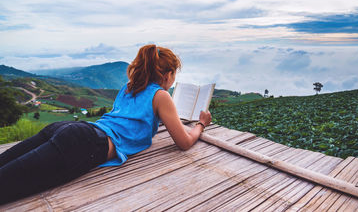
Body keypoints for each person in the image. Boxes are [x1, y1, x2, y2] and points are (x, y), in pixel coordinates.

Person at [0, 44, 212, 204]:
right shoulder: (161, 95)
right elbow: (184, 142)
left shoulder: (129, 87)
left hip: (70, 130)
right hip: (85, 143)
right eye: (174, 75)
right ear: (168, 75)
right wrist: (201, 124)